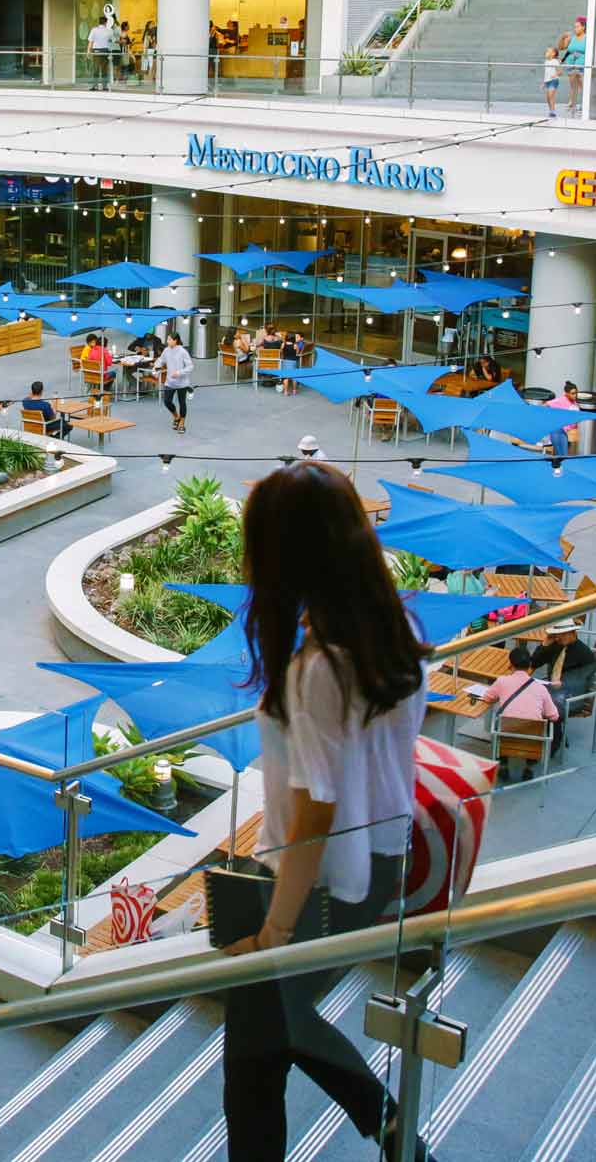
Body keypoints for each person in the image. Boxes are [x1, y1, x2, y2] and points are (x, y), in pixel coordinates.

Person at [221, 462, 430, 1162]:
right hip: (379, 864)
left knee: (257, 1058)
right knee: (274, 1035)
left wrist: (276, 927)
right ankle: (401, 1137)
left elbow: (315, 809)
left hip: (314, 883)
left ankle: (402, 1137)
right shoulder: (397, 628)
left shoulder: (318, 668)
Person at [485, 644, 563, 771]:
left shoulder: (502, 681)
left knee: (499, 724)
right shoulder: (541, 688)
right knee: (537, 729)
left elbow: (487, 698)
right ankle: (529, 766)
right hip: (532, 742)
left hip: (506, 737)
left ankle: (503, 764)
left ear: (510, 664)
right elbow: (554, 716)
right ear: (529, 665)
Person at [531, 618, 596, 717]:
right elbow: (534, 663)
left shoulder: (584, 654)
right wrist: (544, 646)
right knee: (527, 696)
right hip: (553, 688)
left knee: (549, 706)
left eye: (563, 634)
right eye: (557, 635)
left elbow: (585, 681)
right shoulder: (555, 646)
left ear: (573, 633)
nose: (559, 638)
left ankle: (553, 731)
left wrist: (563, 684)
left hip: (573, 696)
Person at [156, 331, 194, 434]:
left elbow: (190, 366)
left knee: (182, 403)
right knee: (167, 401)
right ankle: (176, 416)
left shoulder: (182, 351)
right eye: (167, 339)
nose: (167, 341)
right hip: (170, 382)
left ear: (175, 341)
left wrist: (180, 372)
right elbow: (161, 360)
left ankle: (182, 423)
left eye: (169, 339)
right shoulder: (166, 350)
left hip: (182, 383)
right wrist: (156, 366)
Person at [546, 380, 580, 458]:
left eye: (576, 393)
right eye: (573, 393)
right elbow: (546, 405)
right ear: (566, 394)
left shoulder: (574, 402)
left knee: (564, 456)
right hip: (560, 432)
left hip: (571, 434)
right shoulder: (561, 400)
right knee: (562, 456)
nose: (575, 395)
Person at [564, 15, 587, 115]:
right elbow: (568, 50)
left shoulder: (588, 38)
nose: (575, 29)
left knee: (583, 86)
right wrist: (564, 59)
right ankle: (572, 104)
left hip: (581, 66)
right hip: (571, 65)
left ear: (583, 27)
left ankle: (584, 105)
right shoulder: (573, 38)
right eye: (575, 27)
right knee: (573, 86)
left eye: (577, 26)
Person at [87, 12, 115, 90]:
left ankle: (94, 86)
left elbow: (90, 42)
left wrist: (88, 52)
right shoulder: (109, 31)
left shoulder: (94, 30)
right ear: (105, 22)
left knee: (95, 69)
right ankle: (104, 86)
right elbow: (113, 41)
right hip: (105, 51)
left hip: (96, 51)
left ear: (99, 22)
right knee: (104, 69)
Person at [544, 44, 562, 115]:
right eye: (546, 52)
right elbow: (546, 73)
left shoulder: (555, 61)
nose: (546, 53)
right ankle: (550, 110)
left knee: (551, 95)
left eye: (548, 51)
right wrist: (544, 83)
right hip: (547, 81)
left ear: (553, 53)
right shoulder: (546, 62)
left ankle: (553, 111)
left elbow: (560, 72)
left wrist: (555, 75)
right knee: (548, 97)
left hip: (554, 81)